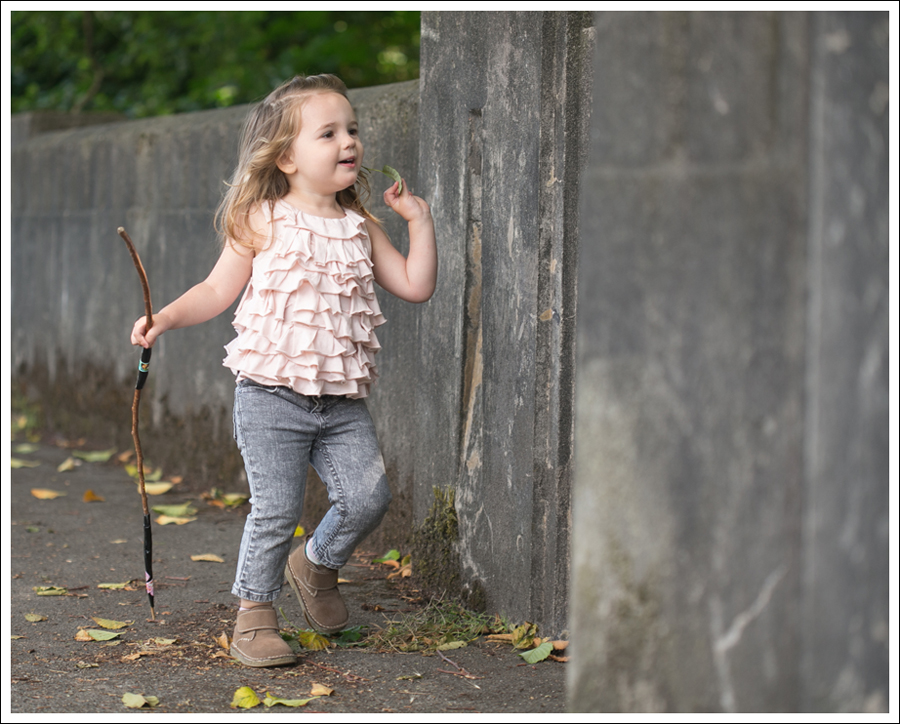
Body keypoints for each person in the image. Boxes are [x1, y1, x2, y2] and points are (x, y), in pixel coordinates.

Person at [131, 74, 437, 667]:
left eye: (352, 129)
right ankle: (254, 616)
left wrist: (417, 221)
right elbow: (217, 289)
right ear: (287, 157)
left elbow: (415, 286)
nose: (348, 140)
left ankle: (314, 565)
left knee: (369, 498)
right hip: (270, 394)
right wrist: (162, 318)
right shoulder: (263, 217)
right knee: (276, 507)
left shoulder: (360, 226)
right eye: (329, 133)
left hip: (341, 401)